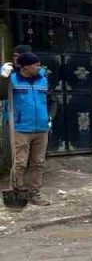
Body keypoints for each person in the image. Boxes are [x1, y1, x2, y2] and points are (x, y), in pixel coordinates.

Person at [4, 51, 51, 206]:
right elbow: (1, 95)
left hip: (41, 128)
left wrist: (50, 117)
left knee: (38, 162)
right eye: (36, 65)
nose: (39, 68)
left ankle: (34, 193)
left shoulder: (43, 80)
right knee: (20, 162)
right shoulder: (12, 80)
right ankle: (17, 192)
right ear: (26, 67)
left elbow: (51, 100)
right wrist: (2, 77)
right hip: (21, 128)